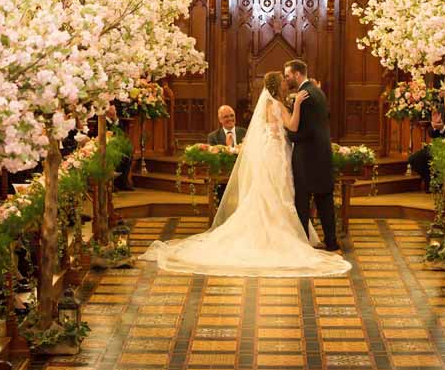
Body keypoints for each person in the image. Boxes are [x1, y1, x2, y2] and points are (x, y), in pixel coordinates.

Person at [139, 70, 350, 277]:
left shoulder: (269, 103)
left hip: (271, 151)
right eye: (283, 81)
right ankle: (278, 236)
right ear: (278, 86)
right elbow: (293, 125)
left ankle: (278, 231)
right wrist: (296, 105)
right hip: (277, 153)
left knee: (272, 192)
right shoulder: (276, 105)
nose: (286, 83)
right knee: (280, 191)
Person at [283, 59, 341, 252]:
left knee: (302, 200)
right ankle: (331, 242)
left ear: (297, 74)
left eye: (288, 75)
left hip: (307, 156)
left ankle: (303, 243)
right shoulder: (317, 91)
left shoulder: (305, 94)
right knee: (324, 199)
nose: (287, 79)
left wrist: (288, 134)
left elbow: (305, 131)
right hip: (322, 153)